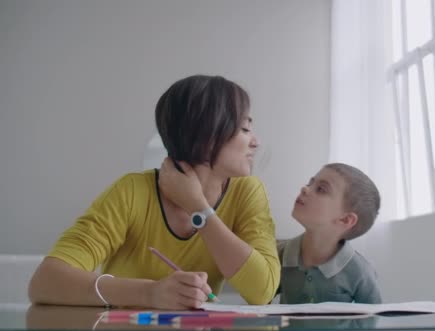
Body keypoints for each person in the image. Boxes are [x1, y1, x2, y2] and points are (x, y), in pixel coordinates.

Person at [28, 75, 280, 309]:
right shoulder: (132, 192)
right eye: (245, 129)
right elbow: (45, 282)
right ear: (206, 136)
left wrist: (198, 209)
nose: (255, 142)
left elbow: (263, 292)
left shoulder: (247, 191)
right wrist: (150, 293)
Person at [276, 163, 382, 304]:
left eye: (321, 189)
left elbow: (375, 321)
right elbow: (259, 307)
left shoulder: (360, 272)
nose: (305, 189)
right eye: (310, 183)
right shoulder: (278, 254)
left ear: (345, 219)